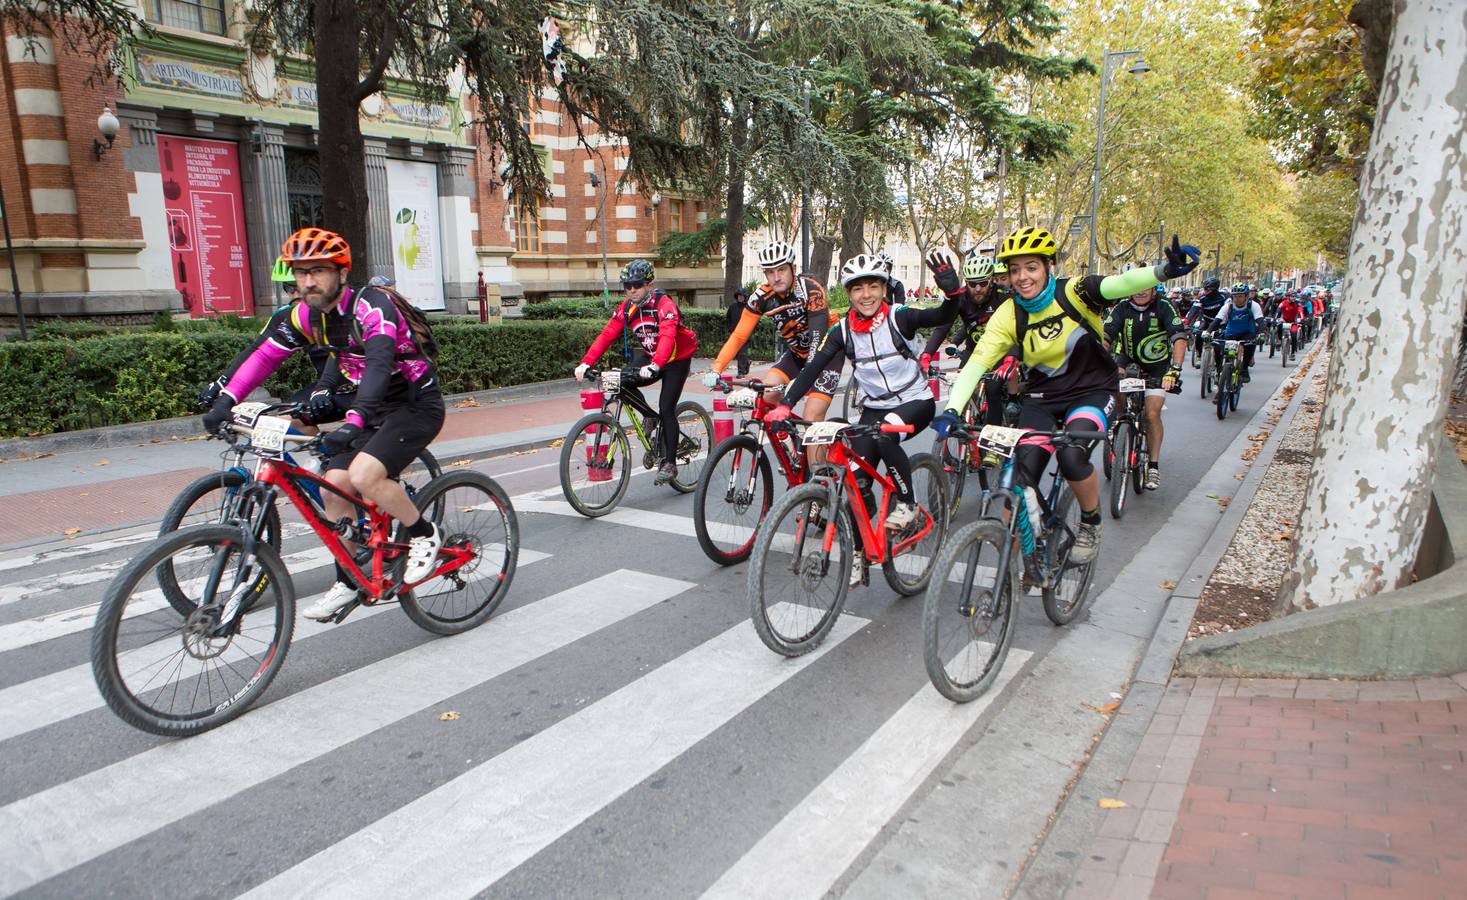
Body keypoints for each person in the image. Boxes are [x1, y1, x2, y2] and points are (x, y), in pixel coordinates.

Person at [200, 228, 446, 621]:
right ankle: (349, 582)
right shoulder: (305, 316)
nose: (308, 282)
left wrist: (355, 418)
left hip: (413, 405)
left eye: (318, 271)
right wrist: (226, 400)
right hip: (371, 410)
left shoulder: (372, 306)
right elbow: (264, 356)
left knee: (365, 476)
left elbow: (380, 364)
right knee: (334, 488)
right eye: (300, 273)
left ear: (342, 274)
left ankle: (423, 535)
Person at [932, 227, 1200, 564]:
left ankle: (1090, 523)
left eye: (1031, 267)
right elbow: (978, 362)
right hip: (1041, 399)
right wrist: (953, 411)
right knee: (1016, 479)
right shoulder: (1009, 313)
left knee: (1072, 457)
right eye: (1015, 270)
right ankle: (1011, 573)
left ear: (1048, 267)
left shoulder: (1075, 293)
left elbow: (1119, 284)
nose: (1022, 276)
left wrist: (1164, 271)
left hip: (1091, 393)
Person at [765, 251, 958, 541]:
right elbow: (812, 368)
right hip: (875, 407)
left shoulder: (899, 318)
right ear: (849, 293)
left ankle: (908, 505)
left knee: (884, 435)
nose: (866, 295)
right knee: (855, 482)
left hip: (914, 401)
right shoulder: (842, 331)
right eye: (858, 288)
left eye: (873, 286)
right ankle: (858, 556)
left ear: (883, 289)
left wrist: (952, 292)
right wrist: (787, 405)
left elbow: (943, 315)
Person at [576, 259, 697, 485]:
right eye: (627, 286)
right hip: (652, 354)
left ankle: (670, 463)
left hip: (675, 358)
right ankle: (649, 417)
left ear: (649, 284)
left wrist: (656, 365)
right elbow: (607, 335)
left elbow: (668, 336)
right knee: (620, 380)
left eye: (637, 285)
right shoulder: (627, 308)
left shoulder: (664, 305)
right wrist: (586, 363)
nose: (632, 290)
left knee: (667, 407)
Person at [195, 256, 348, 434]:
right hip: (322, 386)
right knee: (284, 421)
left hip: (356, 384)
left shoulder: (336, 310)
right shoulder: (285, 316)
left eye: (300, 286)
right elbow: (258, 352)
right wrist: (223, 384)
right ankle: (324, 454)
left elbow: (339, 353)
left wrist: (324, 388)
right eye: (289, 288)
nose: (297, 293)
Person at [703, 240, 839, 424]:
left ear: (793, 268)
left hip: (826, 356)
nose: (776, 277)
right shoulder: (761, 297)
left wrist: (801, 381)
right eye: (770, 272)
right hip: (797, 354)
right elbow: (739, 336)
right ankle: (784, 441)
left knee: (810, 418)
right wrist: (716, 368)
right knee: (767, 396)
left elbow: (817, 341)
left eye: (781, 269)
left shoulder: (811, 290)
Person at [1104, 281, 1188, 490]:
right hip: (1127, 360)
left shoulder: (1164, 306)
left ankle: (1153, 466)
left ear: (1153, 290)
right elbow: (1106, 336)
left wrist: (1174, 370)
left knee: (1152, 414)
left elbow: (1178, 338)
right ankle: (1120, 423)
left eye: (1145, 288)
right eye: (1136, 288)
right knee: (1115, 385)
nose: (1140, 292)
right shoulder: (1121, 308)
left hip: (1157, 367)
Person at [919, 251, 1017, 425]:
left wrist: (1011, 357)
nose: (977, 289)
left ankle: (991, 435)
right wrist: (927, 354)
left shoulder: (1003, 296)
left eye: (982, 283)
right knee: (961, 386)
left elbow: (1016, 331)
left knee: (993, 388)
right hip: (974, 351)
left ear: (991, 280)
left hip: (1000, 352)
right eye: (972, 284)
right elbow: (944, 326)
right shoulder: (962, 298)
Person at [1211, 288, 1264, 381]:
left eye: (1240, 296)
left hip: (1247, 332)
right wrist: (1207, 332)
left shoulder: (1253, 305)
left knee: (1249, 347)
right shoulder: (1228, 306)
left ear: (1246, 296)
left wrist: (1261, 334)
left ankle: (1244, 369)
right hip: (1231, 332)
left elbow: (1260, 321)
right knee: (1220, 348)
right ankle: (1219, 371)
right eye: (1235, 296)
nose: (1237, 299)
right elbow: (1217, 320)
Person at [725, 287, 752, 378]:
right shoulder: (732, 307)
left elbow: (753, 321)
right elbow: (728, 318)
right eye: (739, 296)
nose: (740, 297)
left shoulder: (748, 308)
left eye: (742, 296)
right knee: (737, 353)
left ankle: (741, 372)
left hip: (745, 334)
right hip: (734, 334)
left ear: (745, 297)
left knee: (742, 353)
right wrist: (730, 329)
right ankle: (747, 363)